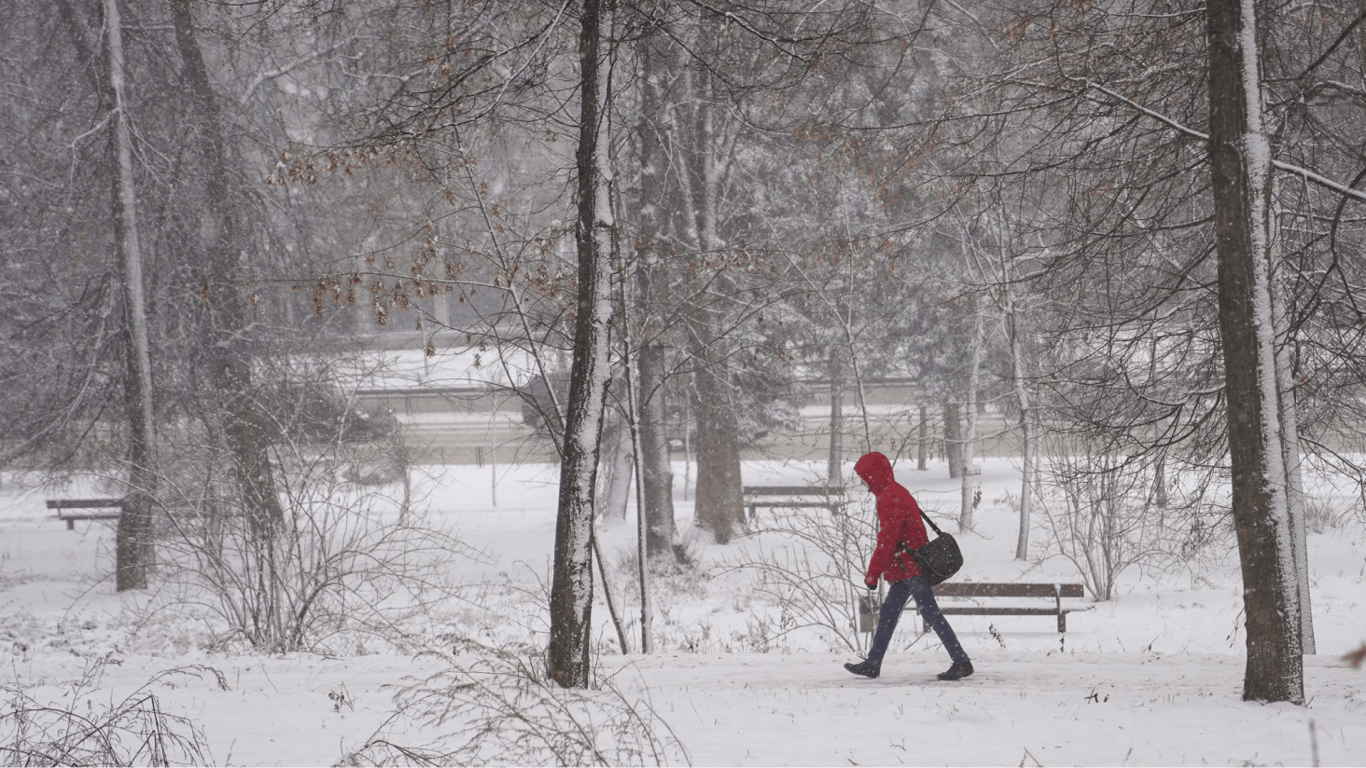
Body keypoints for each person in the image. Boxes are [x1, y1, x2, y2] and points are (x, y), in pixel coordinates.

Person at [844, 451, 973, 681]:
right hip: (906, 566)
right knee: (889, 613)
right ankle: (873, 664)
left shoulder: (889, 497)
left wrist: (872, 575)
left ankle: (961, 661)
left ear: (873, 476)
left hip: (911, 566)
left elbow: (887, 540)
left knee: (930, 613)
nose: (861, 481)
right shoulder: (893, 492)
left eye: (863, 476)